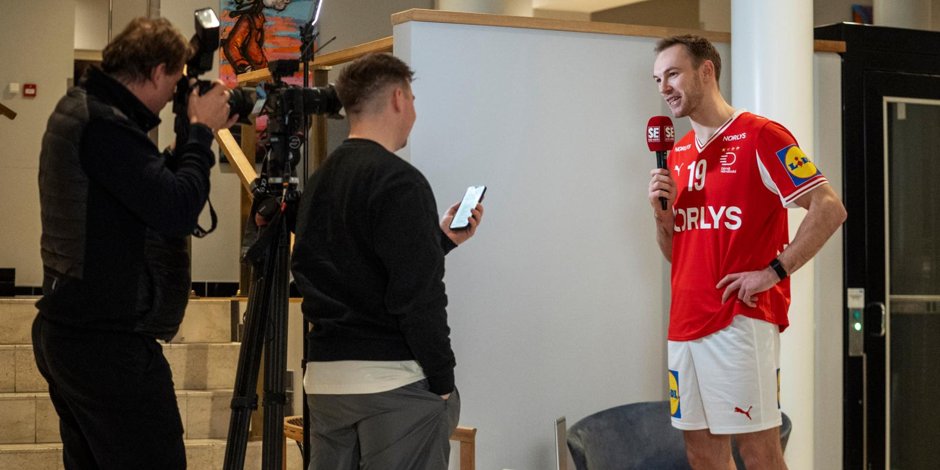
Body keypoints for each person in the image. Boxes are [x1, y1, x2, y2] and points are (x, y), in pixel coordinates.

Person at [33, 17, 236, 469]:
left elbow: (146, 189)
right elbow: (176, 209)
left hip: (76, 330)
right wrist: (201, 134)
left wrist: (185, 143)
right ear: (159, 71)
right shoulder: (104, 125)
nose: (174, 95)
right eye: (176, 81)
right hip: (105, 342)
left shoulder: (84, 110)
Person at [647, 35, 847, 469]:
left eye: (673, 74)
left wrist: (773, 271)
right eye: (658, 79)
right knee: (701, 453)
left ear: (706, 71)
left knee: (759, 454)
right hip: (684, 323)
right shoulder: (677, 154)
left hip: (738, 322)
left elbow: (830, 208)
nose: (664, 87)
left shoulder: (761, 135)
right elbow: (678, 255)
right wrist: (663, 220)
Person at [291, 52, 484, 470]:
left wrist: (439, 241)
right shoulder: (400, 181)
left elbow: (346, 268)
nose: (413, 109)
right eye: (412, 98)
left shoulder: (319, 182)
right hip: (393, 382)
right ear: (398, 98)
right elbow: (418, 295)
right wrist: (443, 380)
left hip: (325, 382)